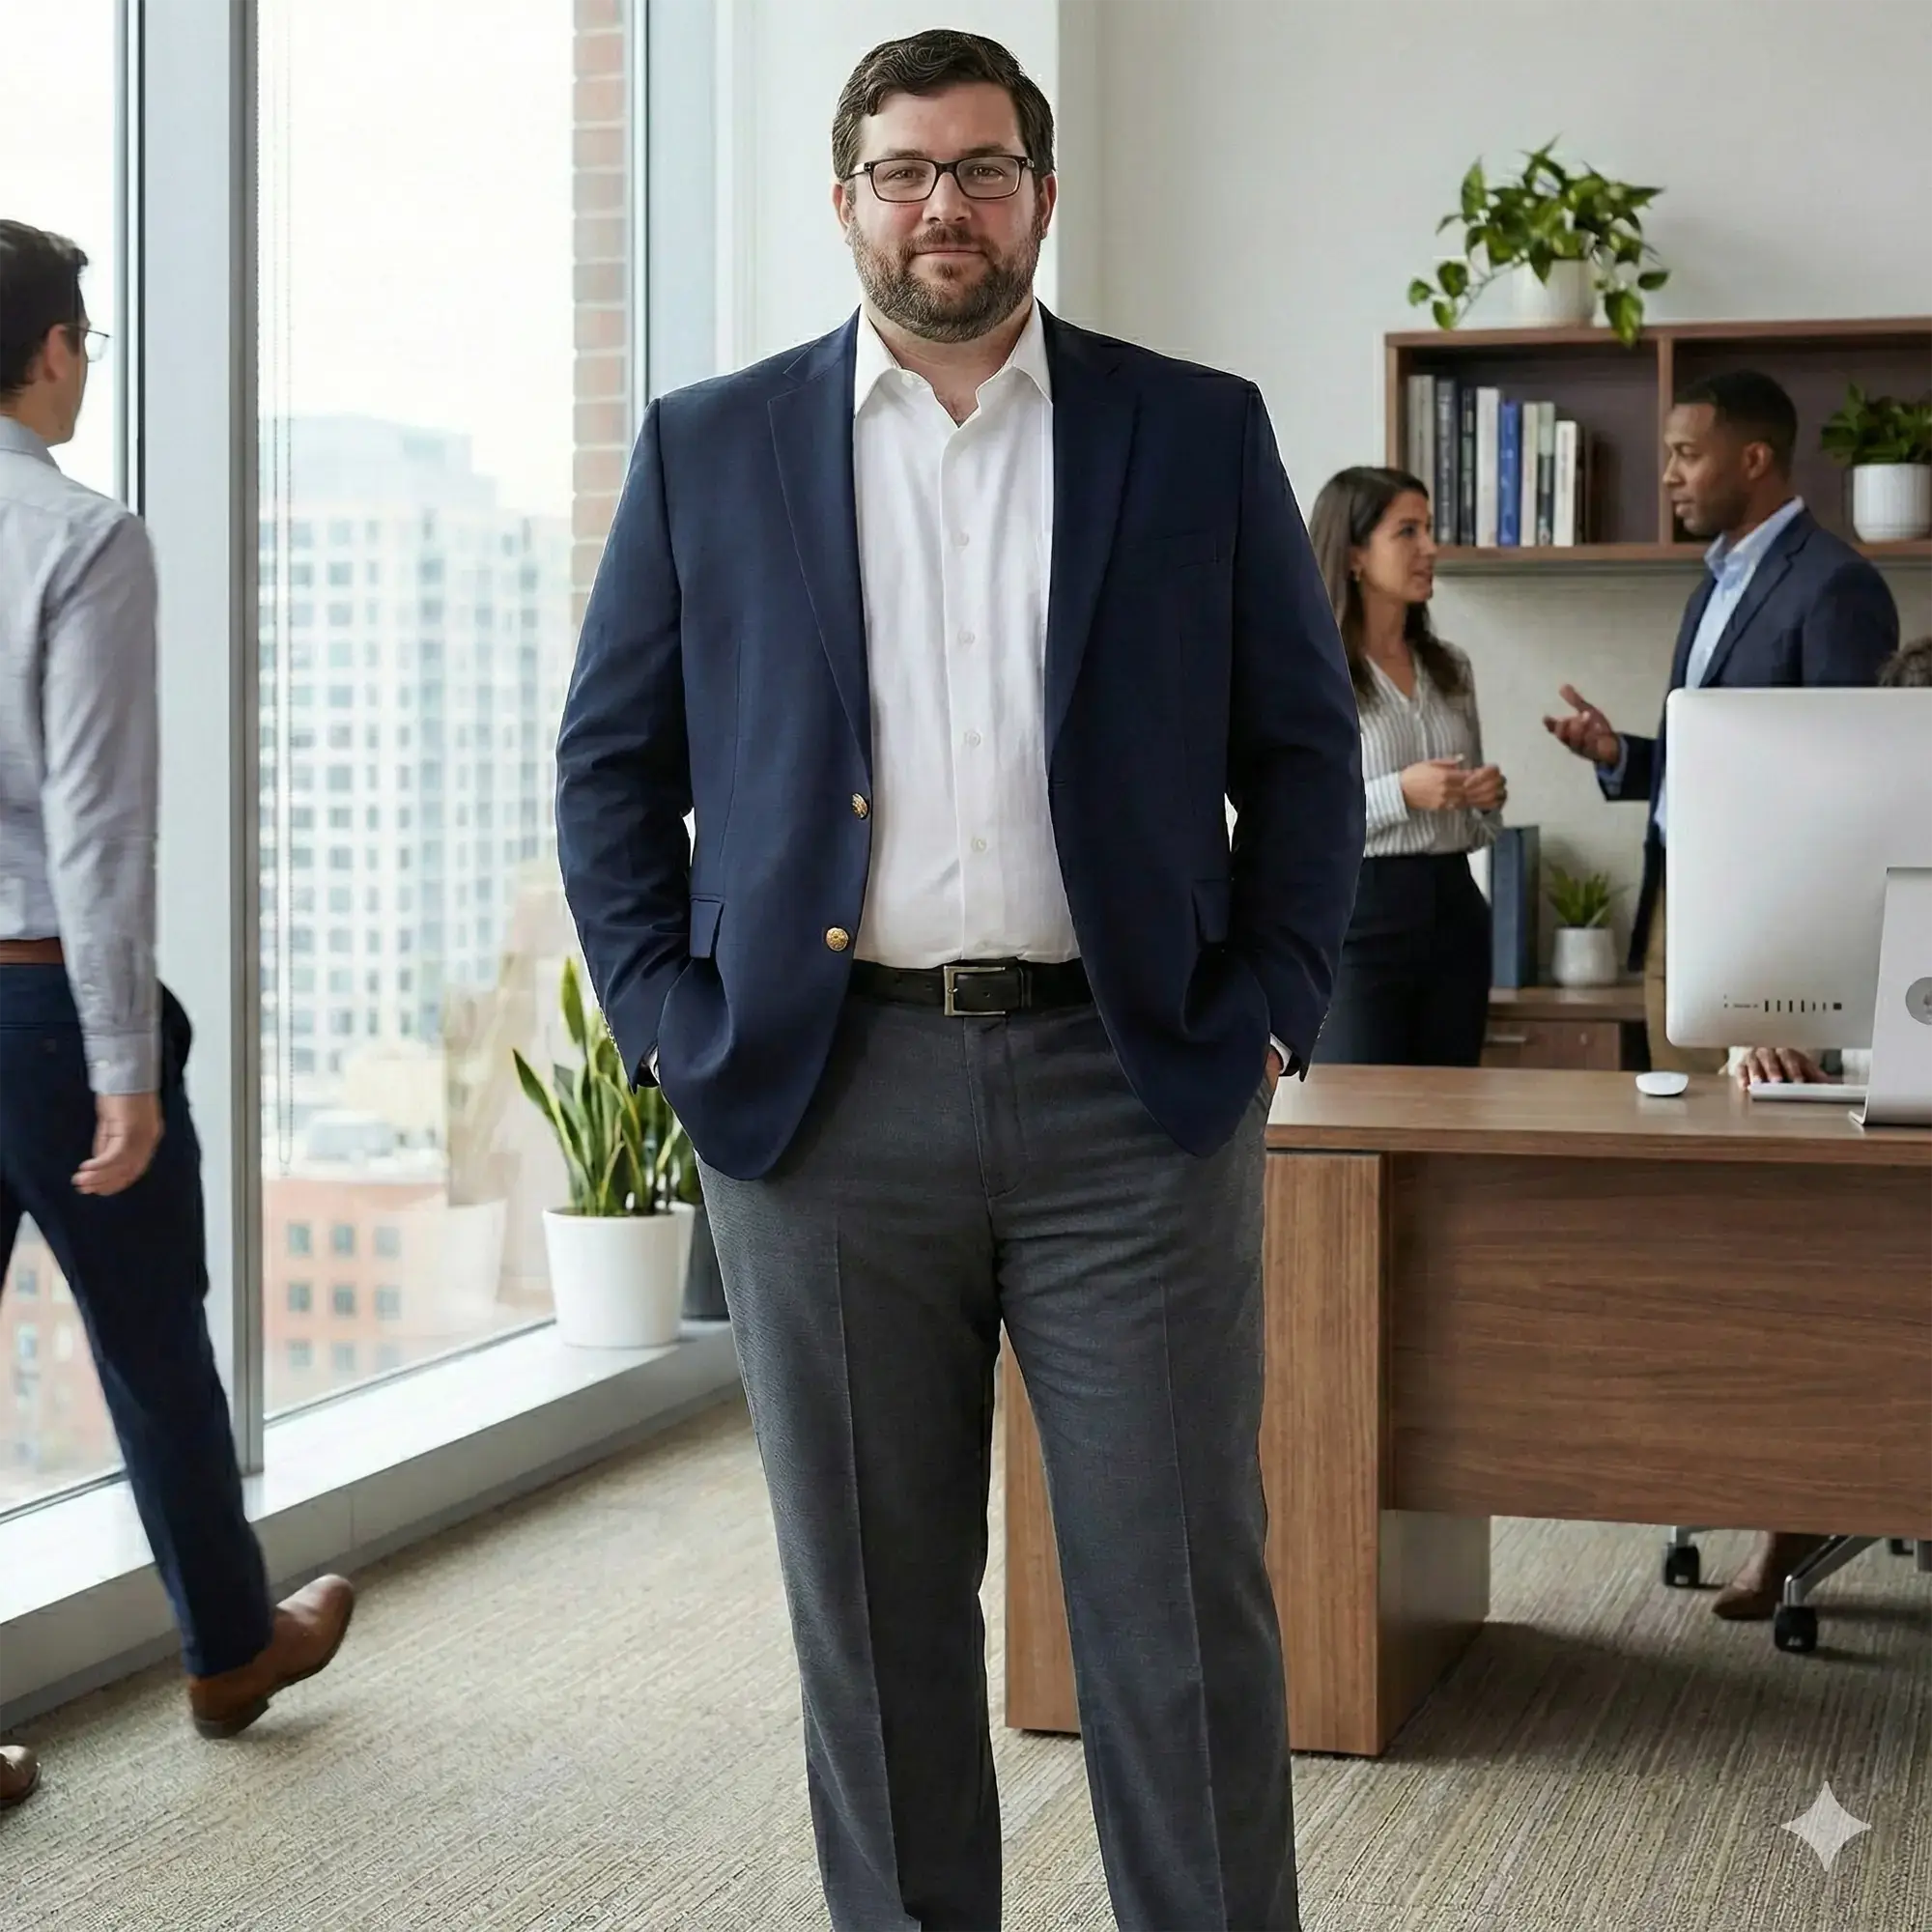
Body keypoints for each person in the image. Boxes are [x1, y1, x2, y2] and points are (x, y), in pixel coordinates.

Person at [555, 30, 1362, 1931]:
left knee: (1177, 1611)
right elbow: (611, 768)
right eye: (906, 171)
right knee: (876, 1616)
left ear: (1041, 198)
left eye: (983, 170)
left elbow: (1305, 752)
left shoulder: (1188, 430)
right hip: (822, 1107)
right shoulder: (709, 446)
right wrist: (675, 1023)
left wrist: (1269, 997)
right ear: (844, 199)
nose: (946, 206)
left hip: (1128, 1097)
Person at [0, 221, 354, 1804]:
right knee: (151, 1343)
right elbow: (97, 827)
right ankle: (226, 1644)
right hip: (43, 1010)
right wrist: (122, 1066)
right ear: (54, 351)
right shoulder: (79, 539)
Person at [1545, 370, 1899, 1074]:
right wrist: (1623, 756)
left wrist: (1801, 987)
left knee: (1759, 1161)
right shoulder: (1712, 586)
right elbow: (1727, 763)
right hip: (1678, 904)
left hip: (1768, 933)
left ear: (1754, 459)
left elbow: (1855, 793)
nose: (1670, 475)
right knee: (1679, 1149)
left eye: (1687, 453)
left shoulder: (1836, 585)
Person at [1711, 633, 1932, 1618]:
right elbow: (1763, 966)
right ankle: (1785, 1512)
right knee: (1785, 1267)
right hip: (1859, 1136)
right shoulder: (1839, 832)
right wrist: (1752, 1037)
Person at [1307, 467, 1503, 1065]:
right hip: (1359, 917)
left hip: (1456, 909)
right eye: (1408, 532)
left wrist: (1483, 801)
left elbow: (1475, 831)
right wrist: (1403, 793)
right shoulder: (1314, 671)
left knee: (1452, 1114)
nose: (1430, 548)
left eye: (1430, 530)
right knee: (1362, 1117)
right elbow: (1305, 823)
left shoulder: (1451, 667)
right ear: (1356, 554)